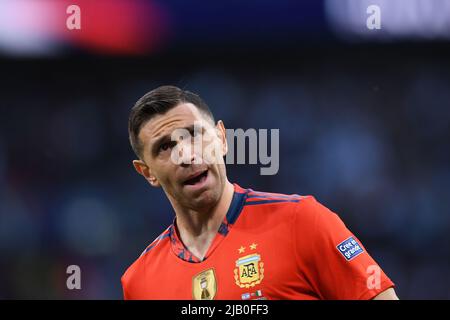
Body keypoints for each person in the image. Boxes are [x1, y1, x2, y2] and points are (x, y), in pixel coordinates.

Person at [121, 85, 398, 300]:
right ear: (147, 172)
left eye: (194, 134)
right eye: (165, 147)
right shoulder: (140, 281)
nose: (186, 154)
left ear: (221, 139)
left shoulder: (301, 222)